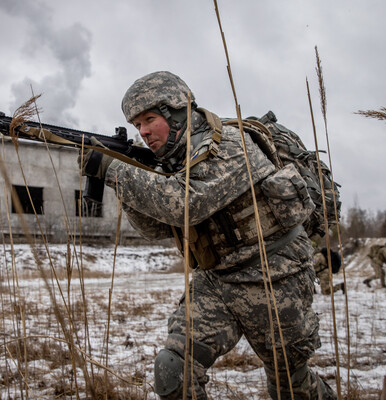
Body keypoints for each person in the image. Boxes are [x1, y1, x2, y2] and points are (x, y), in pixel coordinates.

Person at [79, 71, 336, 399]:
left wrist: (113, 170)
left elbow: (187, 204)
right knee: (173, 369)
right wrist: (127, 176)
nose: (142, 132)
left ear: (177, 112)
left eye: (149, 119)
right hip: (217, 281)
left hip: (274, 275)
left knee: (290, 384)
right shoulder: (174, 162)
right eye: (136, 125)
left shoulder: (228, 144)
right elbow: (155, 227)